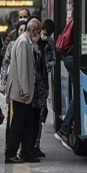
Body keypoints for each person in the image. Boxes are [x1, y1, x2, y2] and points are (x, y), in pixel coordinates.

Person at [5, 18, 42, 164]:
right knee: (18, 124)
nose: (37, 35)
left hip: (24, 92)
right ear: (32, 30)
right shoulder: (22, 42)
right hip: (21, 92)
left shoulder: (26, 41)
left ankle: (26, 152)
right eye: (37, 32)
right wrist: (25, 91)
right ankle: (11, 153)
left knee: (27, 123)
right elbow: (22, 68)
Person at [0, 20, 27, 145]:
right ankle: (9, 143)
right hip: (13, 85)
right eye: (20, 30)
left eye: (24, 30)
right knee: (12, 115)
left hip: (26, 88)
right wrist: (3, 83)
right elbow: (5, 64)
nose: (22, 33)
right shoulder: (12, 45)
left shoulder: (30, 44)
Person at [33, 19, 56, 157]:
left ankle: (36, 145)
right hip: (33, 84)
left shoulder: (50, 43)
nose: (44, 35)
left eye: (47, 33)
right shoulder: (32, 42)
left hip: (43, 83)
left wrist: (47, 65)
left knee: (41, 115)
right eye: (43, 32)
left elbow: (54, 60)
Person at [54, 21, 74, 150]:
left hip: (69, 57)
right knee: (79, 96)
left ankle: (64, 130)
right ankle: (64, 130)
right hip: (72, 58)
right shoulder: (82, 19)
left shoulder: (73, 20)